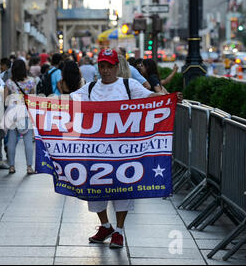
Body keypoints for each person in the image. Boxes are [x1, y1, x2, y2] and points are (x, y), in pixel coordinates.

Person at [70, 49, 172, 249]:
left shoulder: (129, 85)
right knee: (95, 189)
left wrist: (169, 98)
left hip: (123, 151)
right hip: (96, 151)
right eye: (102, 66)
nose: (106, 70)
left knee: (122, 189)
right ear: (98, 67)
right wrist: (34, 102)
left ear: (117, 66)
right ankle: (105, 226)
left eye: (109, 66)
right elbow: (68, 102)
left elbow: (150, 97)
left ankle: (119, 230)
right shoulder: (89, 89)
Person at [4, 59, 37, 175]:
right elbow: (33, 98)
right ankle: (29, 167)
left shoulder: (9, 82)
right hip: (26, 112)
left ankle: (11, 166)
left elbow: (5, 100)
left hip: (13, 112)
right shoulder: (31, 82)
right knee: (28, 141)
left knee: (12, 141)